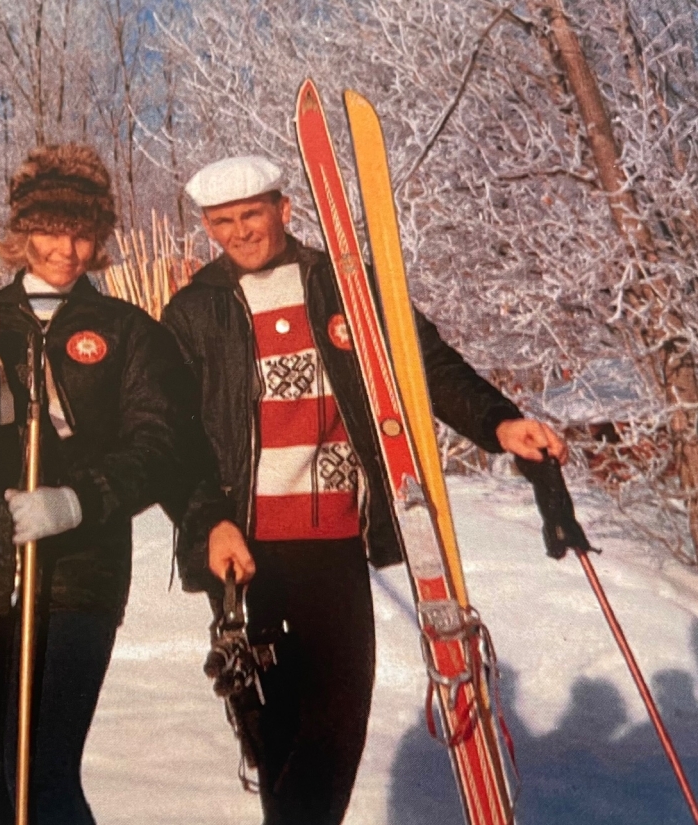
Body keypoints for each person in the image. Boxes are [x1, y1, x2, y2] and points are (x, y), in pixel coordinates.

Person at [162, 155, 567, 825]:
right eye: (222, 222)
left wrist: (500, 423)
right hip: (247, 545)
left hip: (336, 541)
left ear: (284, 211)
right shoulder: (194, 310)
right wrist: (209, 521)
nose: (239, 232)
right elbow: (173, 438)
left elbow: (426, 363)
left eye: (251, 215)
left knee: (336, 723)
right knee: (277, 736)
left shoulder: (345, 286)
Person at [0, 143, 196, 824]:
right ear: (22, 230)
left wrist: (78, 500)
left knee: (43, 772)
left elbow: (159, 444)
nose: (68, 247)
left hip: (77, 575)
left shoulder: (128, 332)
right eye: (52, 229)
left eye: (84, 231)